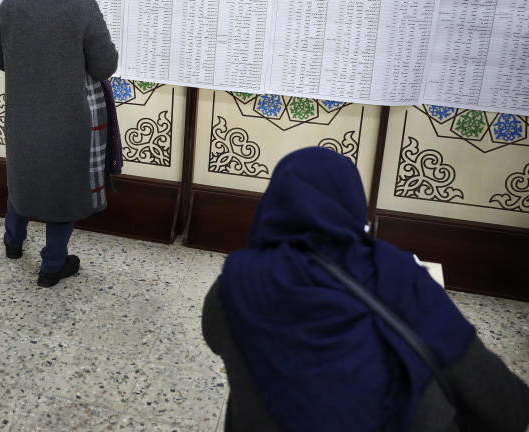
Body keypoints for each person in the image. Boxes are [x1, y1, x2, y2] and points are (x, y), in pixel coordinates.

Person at [202, 146, 529, 432]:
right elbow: (499, 402)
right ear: (354, 207)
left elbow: (216, 337)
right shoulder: (398, 275)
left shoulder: (234, 282)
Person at [0, 0, 118, 287]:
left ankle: (13, 243)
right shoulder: (83, 7)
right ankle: (52, 265)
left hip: (22, 116)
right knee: (63, 191)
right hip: (69, 121)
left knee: (23, 180)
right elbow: (106, 64)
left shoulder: (13, 1)